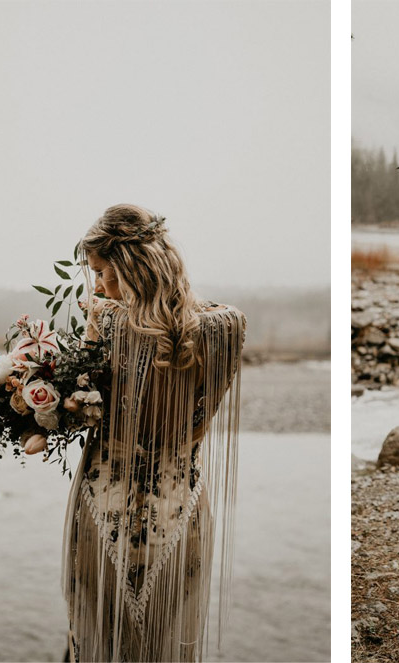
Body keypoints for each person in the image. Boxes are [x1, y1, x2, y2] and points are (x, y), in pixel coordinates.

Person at [56, 204, 246, 662]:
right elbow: (202, 422)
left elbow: (87, 408)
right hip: (179, 502)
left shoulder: (107, 319)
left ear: (134, 267)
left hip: (104, 504)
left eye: (104, 273)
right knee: (167, 647)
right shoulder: (224, 327)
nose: (99, 287)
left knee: (96, 641)